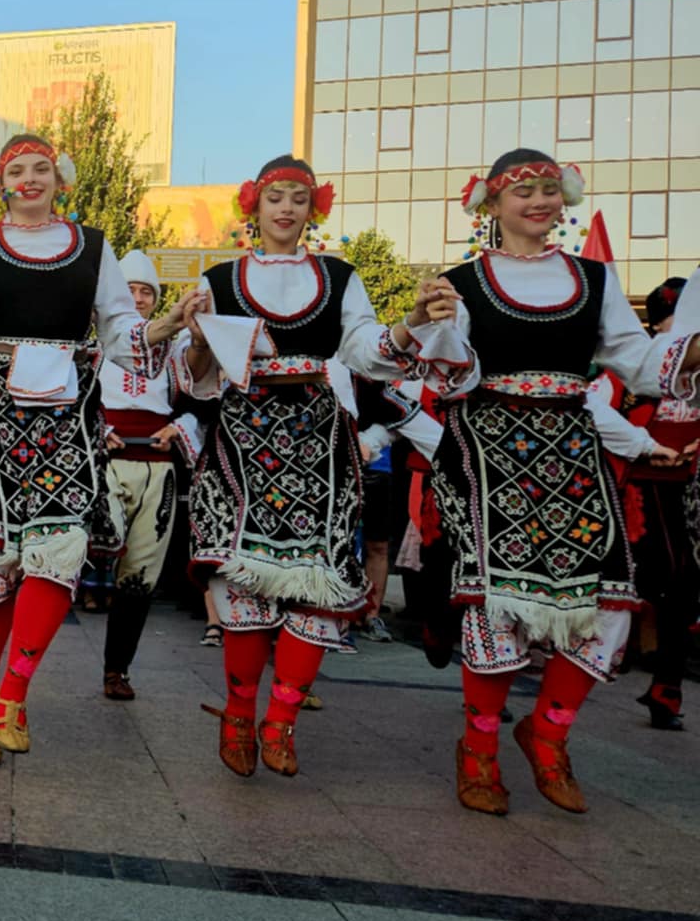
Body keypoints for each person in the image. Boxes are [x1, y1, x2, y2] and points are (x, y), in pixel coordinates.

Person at [0, 131, 193, 764]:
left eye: (40, 169)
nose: (28, 180)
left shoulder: (93, 248)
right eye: (16, 171)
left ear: (60, 179)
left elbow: (120, 334)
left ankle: (12, 694)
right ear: (0, 181)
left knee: (61, 547)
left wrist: (166, 325)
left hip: (66, 414)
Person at [433, 149, 700, 814]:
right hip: (489, 452)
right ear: (491, 205)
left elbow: (637, 361)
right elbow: (451, 374)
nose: (540, 200)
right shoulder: (461, 281)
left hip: (574, 451)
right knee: (497, 601)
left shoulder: (594, 277)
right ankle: (480, 749)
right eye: (522, 190)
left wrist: (690, 351)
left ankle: (548, 732)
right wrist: (433, 326)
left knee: (610, 598)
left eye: (550, 188)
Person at [180, 156, 447, 780]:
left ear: (313, 208)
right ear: (254, 203)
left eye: (299, 198)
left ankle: (282, 720)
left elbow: (367, 353)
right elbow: (196, 383)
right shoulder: (219, 277)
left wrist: (408, 324)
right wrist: (193, 341)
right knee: (246, 584)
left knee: (316, 588)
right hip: (242, 443)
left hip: (320, 444)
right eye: (276, 196)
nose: (286, 209)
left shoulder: (339, 276)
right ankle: (241, 714)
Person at [97, 249, 203, 701]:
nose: (137, 299)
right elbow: (71, 395)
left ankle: (117, 669)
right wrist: (96, 430)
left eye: (145, 293)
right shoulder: (95, 343)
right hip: (105, 462)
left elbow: (200, 396)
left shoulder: (177, 348)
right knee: (76, 552)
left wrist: (178, 428)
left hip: (158, 468)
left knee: (139, 575)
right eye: (128, 291)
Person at [617, 279, 699, 731]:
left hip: (691, 476)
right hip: (649, 480)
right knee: (670, 575)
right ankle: (651, 672)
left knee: (684, 580)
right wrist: (648, 444)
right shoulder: (648, 358)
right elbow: (621, 411)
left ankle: (666, 681)